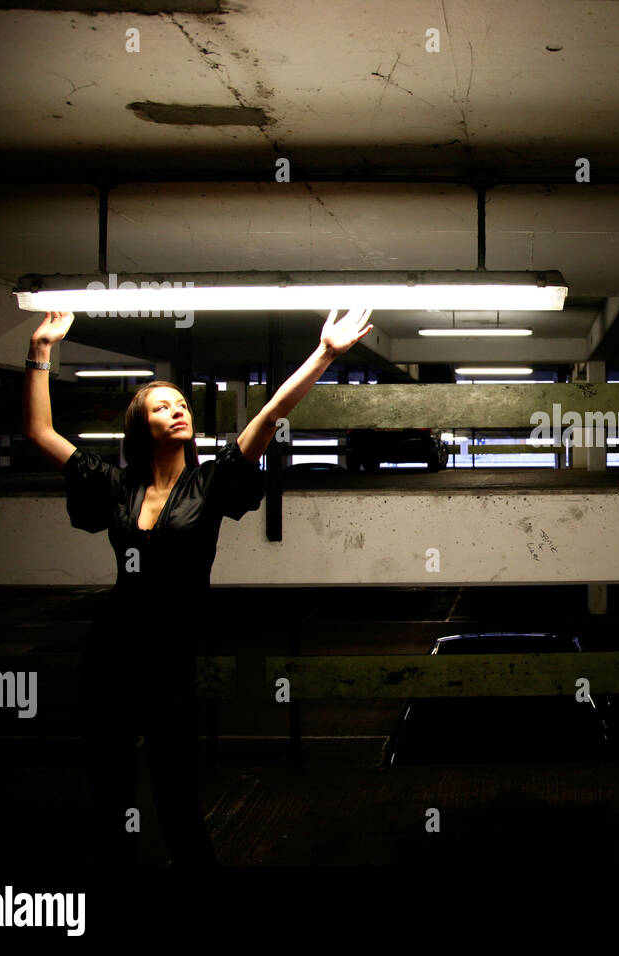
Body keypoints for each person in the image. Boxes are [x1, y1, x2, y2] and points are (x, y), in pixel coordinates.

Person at [22, 307, 373, 867]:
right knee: (108, 792)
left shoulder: (210, 483)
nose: (178, 410)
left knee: (176, 796)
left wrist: (326, 355)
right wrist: (41, 350)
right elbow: (40, 432)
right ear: (143, 426)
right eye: (162, 407)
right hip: (110, 650)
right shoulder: (116, 487)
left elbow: (276, 408)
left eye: (181, 404)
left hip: (171, 656)